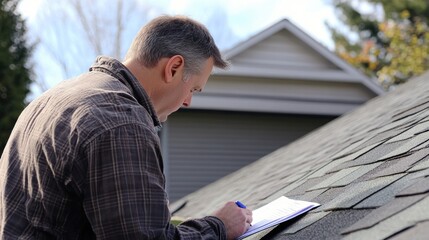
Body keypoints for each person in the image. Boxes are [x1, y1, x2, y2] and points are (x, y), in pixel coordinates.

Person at [0, 15, 252, 239]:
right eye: (193, 89)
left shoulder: (53, 99)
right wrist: (219, 226)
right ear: (173, 68)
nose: (187, 102)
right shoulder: (122, 123)